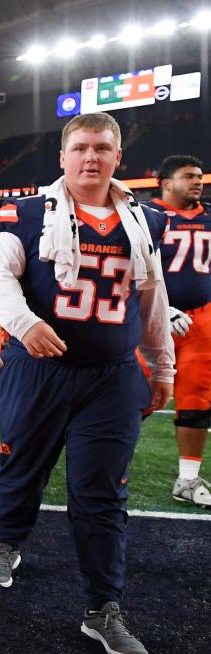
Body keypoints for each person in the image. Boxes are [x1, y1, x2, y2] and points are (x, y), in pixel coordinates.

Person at [0, 112, 172, 654]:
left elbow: (151, 300)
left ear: (118, 159)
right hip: (38, 366)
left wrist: (161, 368)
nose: (92, 158)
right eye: (82, 148)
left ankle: (102, 608)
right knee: (21, 464)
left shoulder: (146, 220)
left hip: (111, 375)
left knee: (103, 491)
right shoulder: (27, 212)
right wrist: (26, 324)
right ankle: (8, 539)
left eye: (103, 149)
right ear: (63, 158)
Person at [149, 154, 211, 507]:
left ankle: (187, 479)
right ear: (166, 182)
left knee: (197, 399)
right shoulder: (147, 216)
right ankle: (100, 469)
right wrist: (161, 307)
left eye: (200, 176)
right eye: (189, 176)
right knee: (130, 397)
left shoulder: (208, 214)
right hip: (151, 318)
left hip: (202, 319)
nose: (198, 181)